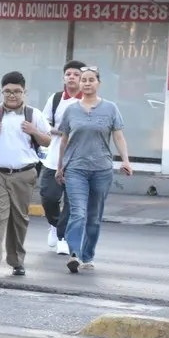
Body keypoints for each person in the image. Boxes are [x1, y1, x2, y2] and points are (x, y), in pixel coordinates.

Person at [0, 71, 51, 278]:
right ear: (1, 92)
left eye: (17, 91)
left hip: (24, 174)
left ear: (24, 92)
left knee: (19, 219)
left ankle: (17, 261)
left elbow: (47, 141)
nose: (12, 95)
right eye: (7, 91)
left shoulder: (34, 115)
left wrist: (34, 130)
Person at [57, 66, 134, 273]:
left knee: (93, 216)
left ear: (98, 83)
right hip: (76, 169)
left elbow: (118, 136)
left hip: (101, 169)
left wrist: (125, 160)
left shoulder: (110, 108)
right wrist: (60, 167)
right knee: (78, 212)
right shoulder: (71, 110)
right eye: (84, 80)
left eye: (91, 80)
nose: (87, 83)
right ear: (79, 84)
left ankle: (87, 254)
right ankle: (74, 253)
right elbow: (63, 141)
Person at [38, 59, 85, 255]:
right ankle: (54, 224)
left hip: (79, 159)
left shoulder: (88, 100)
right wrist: (60, 132)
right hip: (53, 157)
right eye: (69, 74)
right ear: (64, 78)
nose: (72, 77)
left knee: (72, 201)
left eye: (76, 74)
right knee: (48, 196)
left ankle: (62, 236)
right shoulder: (56, 99)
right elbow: (43, 123)